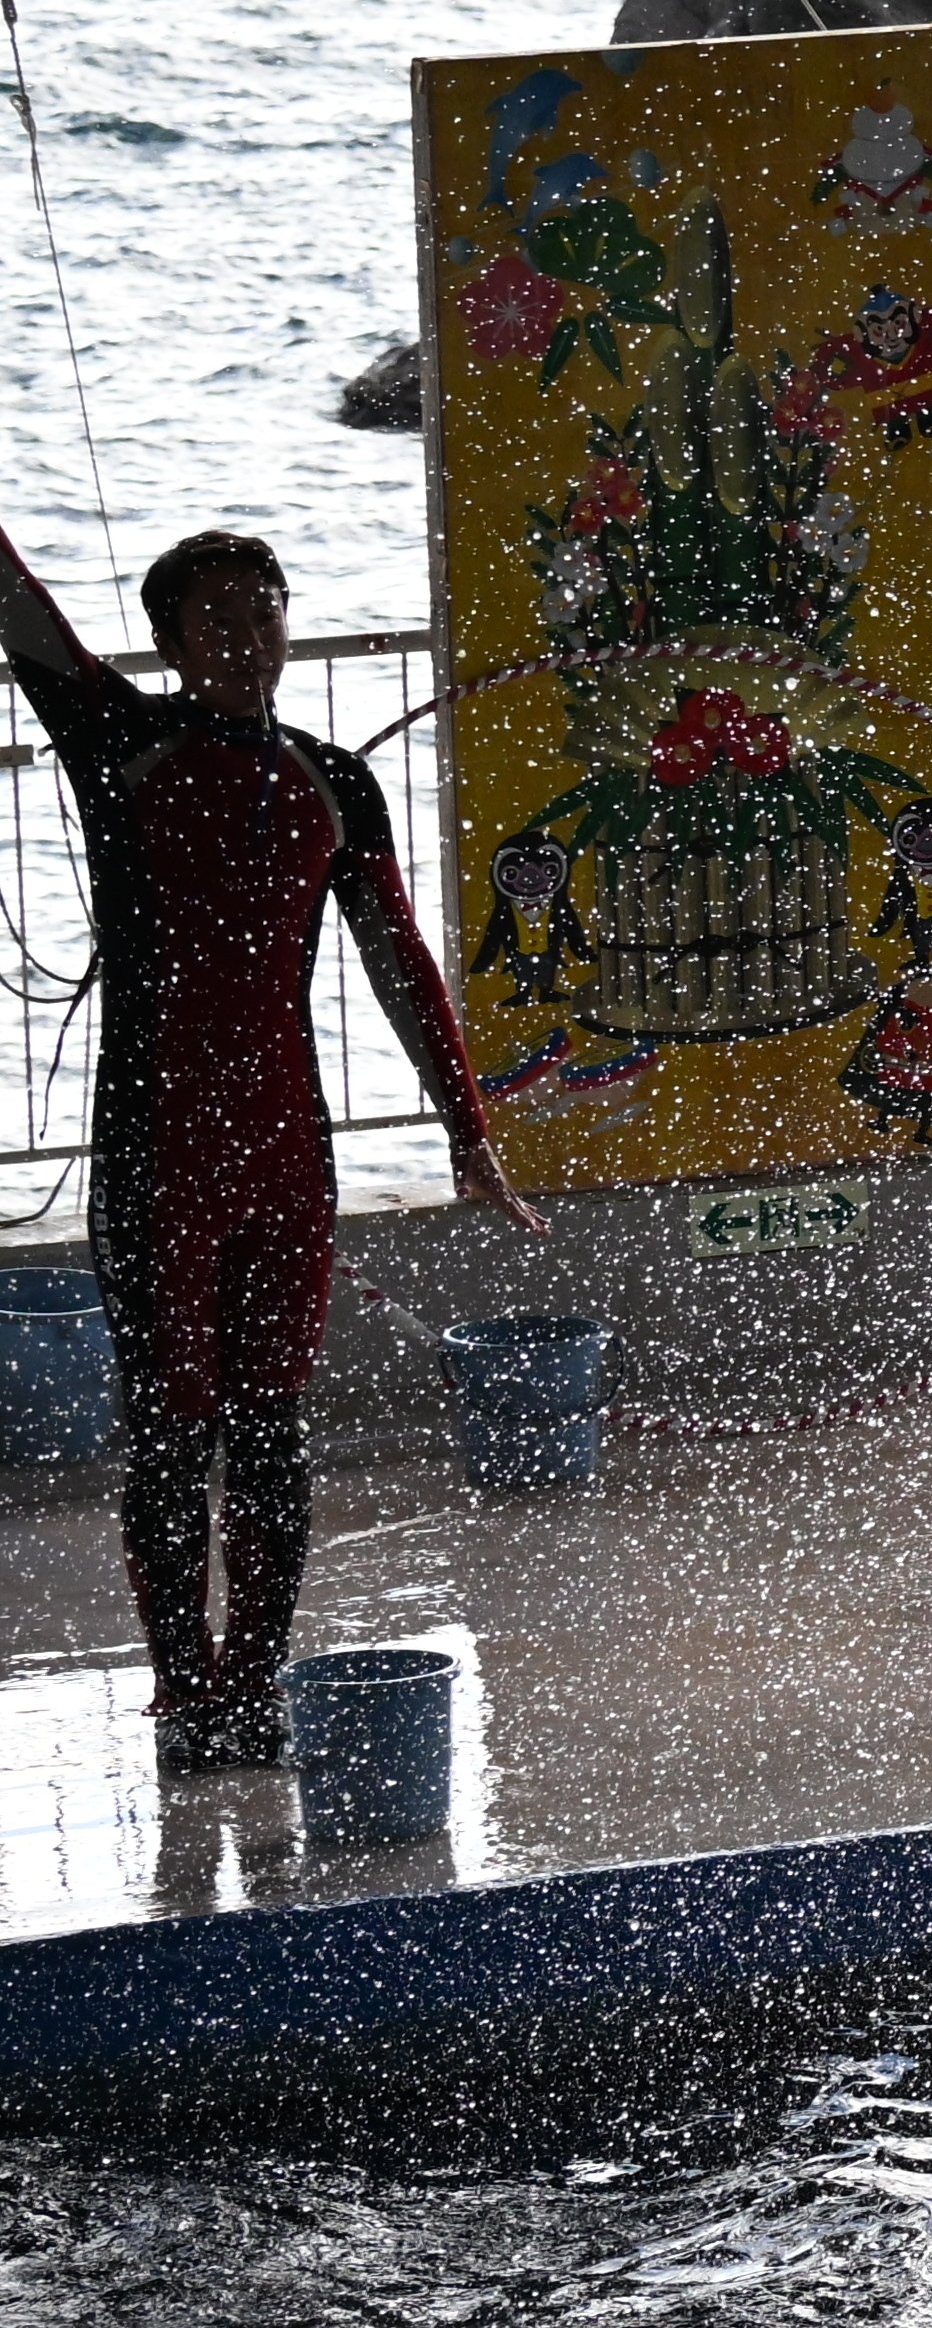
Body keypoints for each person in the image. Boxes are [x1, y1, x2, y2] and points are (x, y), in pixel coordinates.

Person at [0, 523, 537, 1774]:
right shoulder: (118, 739)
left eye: (265, 611)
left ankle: (252, 1683)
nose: (246, 640)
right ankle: (184, 1693)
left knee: (274, 1428)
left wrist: (469, 1128)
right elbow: (18, 608)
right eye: (216, 621)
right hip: (154, 1155)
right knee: (171, 1431)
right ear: (169, 642)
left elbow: (399, 959)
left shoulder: (333, 779)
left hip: (289, 1153)